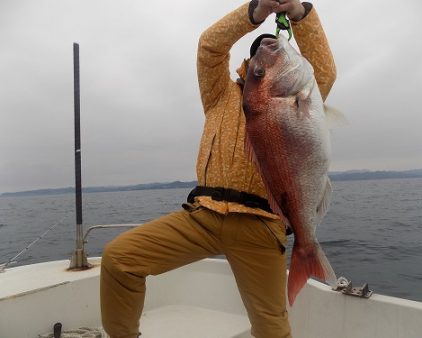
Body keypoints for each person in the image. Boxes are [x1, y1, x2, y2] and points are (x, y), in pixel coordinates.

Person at [100, 0, 336, 337]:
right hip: (203, 215)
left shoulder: (302, 92)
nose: (266, 55)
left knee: (271, 325)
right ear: (248, 66)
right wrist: (253, 12)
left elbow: (325, 71)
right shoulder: (219, 95)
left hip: (261, 222)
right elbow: (210, 46)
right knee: (119, 258)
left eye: (275, 52)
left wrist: (300, 14)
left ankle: (305, 251)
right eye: (258, 57)